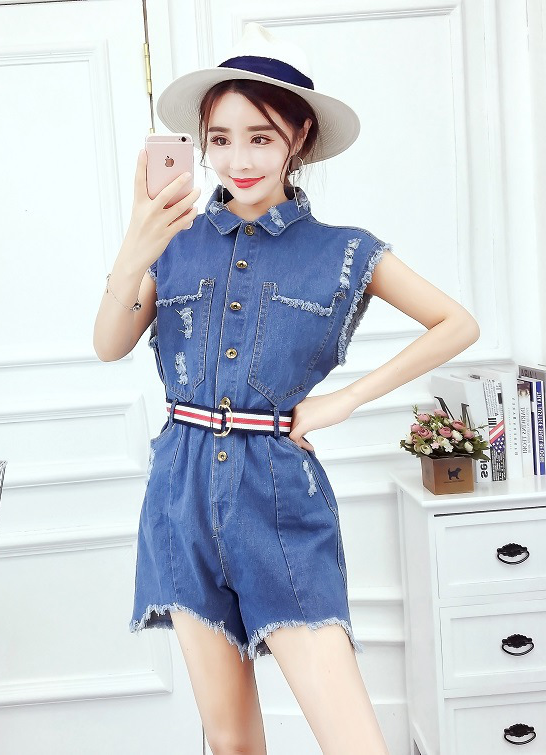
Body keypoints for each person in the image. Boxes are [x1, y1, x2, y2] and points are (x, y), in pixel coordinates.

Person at [93, 22, 479, 755]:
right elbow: (109, 343)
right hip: (179, 495)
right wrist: (134, 245)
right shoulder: (170, 241)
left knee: (355, 743)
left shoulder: (345, 251)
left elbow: (456, 323)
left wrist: (344, 400)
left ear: (298, 138)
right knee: (233, 742)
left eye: (260, 138)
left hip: (278, 497)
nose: (237, 160)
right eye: (219, 138)